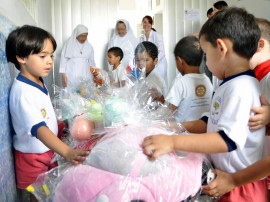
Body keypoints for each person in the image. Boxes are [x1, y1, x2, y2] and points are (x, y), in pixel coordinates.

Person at [142, 7, 268, 201]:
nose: (206, 64)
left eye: (206, 55)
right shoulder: (230, 83)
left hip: (242, 189)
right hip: (227, 180)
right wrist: (176, 127)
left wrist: (173, 142)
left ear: (221, 48)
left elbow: (226, 140)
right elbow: (213, 120)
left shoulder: (240, 88)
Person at [6, 25, 90, 201]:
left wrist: (64, 125)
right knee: (36, 196)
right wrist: (67, 152)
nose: (50, 61)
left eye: (51, 55)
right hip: (32, 160)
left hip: (47, 152)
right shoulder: (23, 92)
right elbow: (39, 129)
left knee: (48, 192)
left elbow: (44, 115)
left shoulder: (38, 81)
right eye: (43, 56)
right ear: (22, 57)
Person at [203, 17, 270, 199]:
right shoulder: (245, 80)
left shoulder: (248, 83)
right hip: (244, 175)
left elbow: (228, 140)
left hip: (248, 178)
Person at [165, 35, 213, 123]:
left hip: (182, 134)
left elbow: (167, 111)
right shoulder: (207, 80)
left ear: (179, 61)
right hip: (202, 132)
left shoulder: (180, 82)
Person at [59, 24, 96, 91]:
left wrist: (94, 74)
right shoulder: (69, 44)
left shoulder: (89, 46)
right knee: (71, 93)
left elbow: (92, 62)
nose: (84, 38)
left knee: (85, 92)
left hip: (85, 73)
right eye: (81, 36)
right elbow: (63, 60)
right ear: (76, 35)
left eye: (85, 36)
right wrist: (63, 76)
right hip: (71, 72)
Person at [199, 1, 228, 83]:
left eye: (214, 10)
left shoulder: (224, 24)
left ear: (220, 10)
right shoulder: (216, 23)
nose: (213, 12)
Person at [139, 15, 168, 89]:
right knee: (150, 84)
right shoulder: (141, 37)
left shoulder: (157, 35)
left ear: (151, 24)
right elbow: (140, 51)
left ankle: (162, 99)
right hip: (148, 64)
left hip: (159, 63)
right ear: (142, 23)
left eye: (149, 22)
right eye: (145, 22)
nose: (146, 24)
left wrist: (153, 62)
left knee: (159, 84)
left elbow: (162, 51)